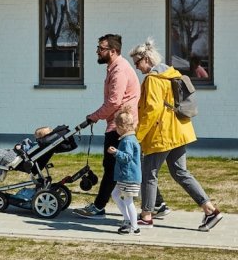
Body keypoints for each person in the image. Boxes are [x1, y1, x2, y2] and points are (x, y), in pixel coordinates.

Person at [130, 38, 223, 231]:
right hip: (179, 130)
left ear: (146, 59)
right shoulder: (171, 73)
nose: (137, 67)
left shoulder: (154, 80)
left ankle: (146, 216)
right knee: (180, 172)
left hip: (162, 134)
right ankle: (210, 210)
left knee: (149, 173)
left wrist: (137, 135)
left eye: (137, 63)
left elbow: (152, 110)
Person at [74, 34, 170, 219]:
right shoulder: (114, 67)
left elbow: (113, 102)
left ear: (112, 51)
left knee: (111, 166)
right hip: (121, 123)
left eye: (101, 48)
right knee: (132, 165)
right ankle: (158, 204)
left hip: (122, 126)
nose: (97, 51)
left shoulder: (119, 70)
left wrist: (93, 117)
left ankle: (99, 207)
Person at [107, 105, 142, 235]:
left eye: (117, 127)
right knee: (115, 195)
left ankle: (134, 226)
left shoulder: (127, 141)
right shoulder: (130, 138)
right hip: (126, 176)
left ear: (122, 127)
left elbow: (127, 157)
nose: (116, 130)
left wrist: (116, 152)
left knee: (128, 201)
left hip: (129, 176)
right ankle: (127, 220)